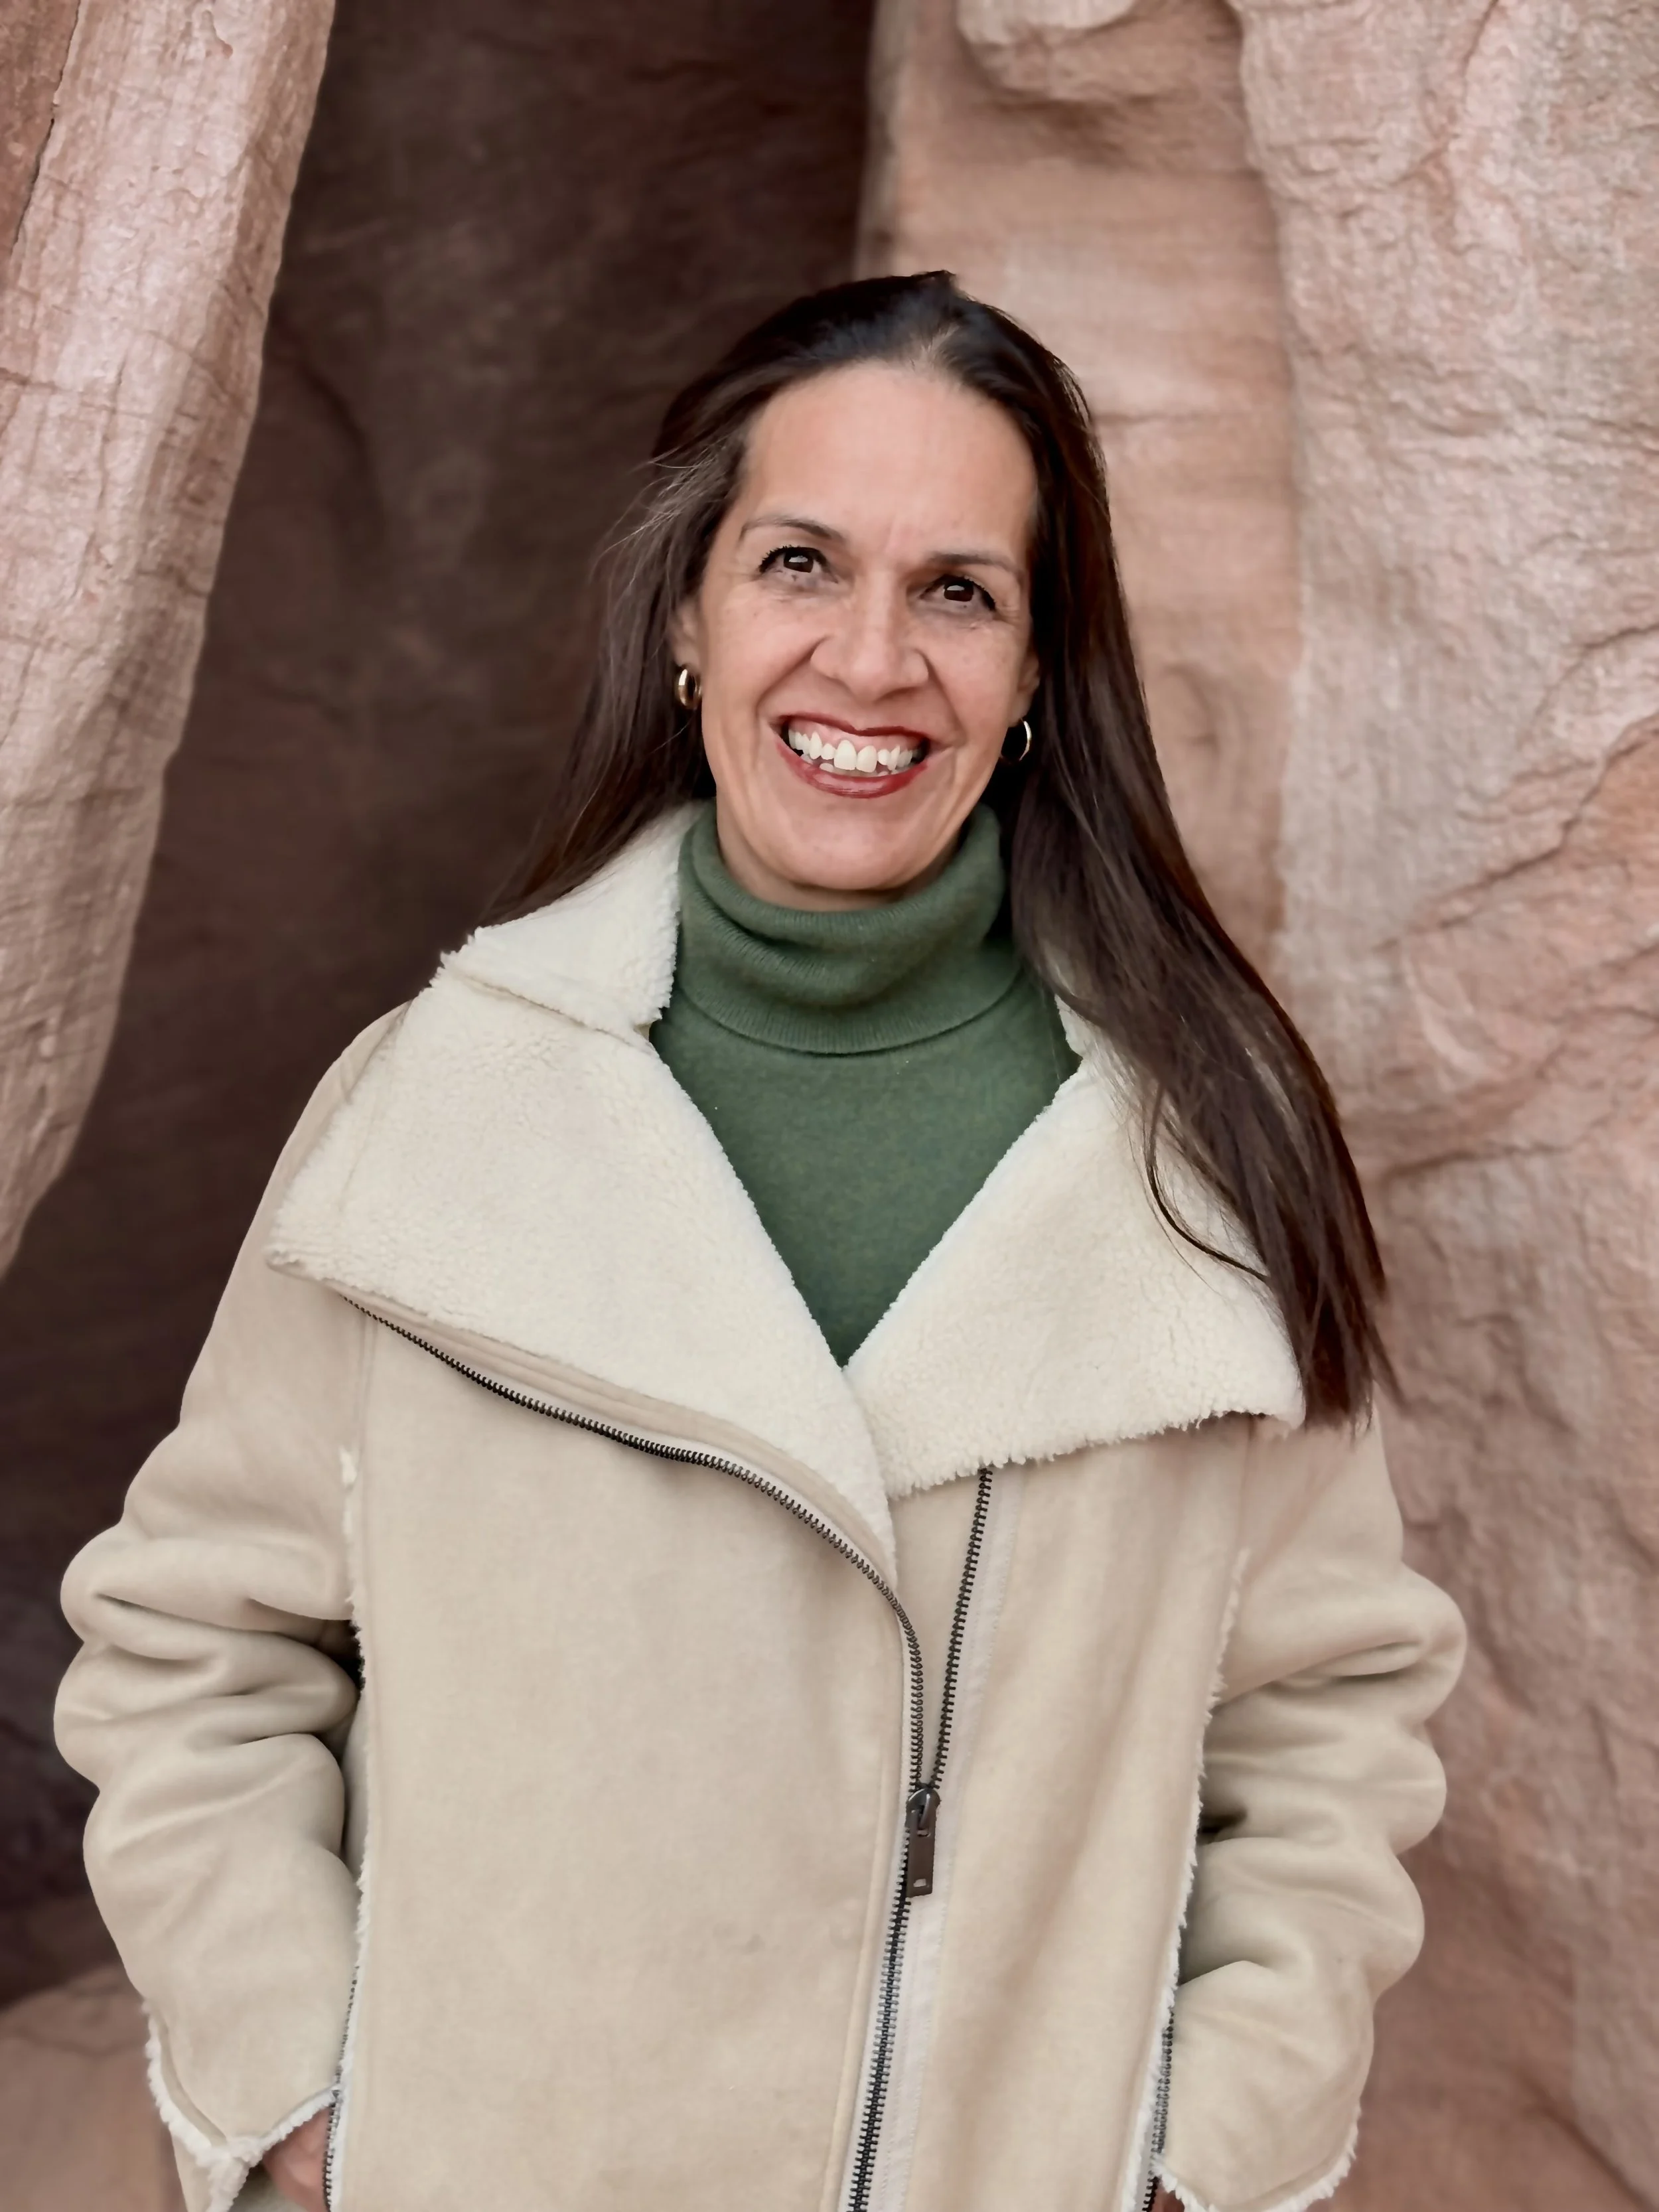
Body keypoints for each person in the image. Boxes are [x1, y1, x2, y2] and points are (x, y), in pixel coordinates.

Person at [56, 273, 1463, 2212]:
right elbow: (195, 1645)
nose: (871, 660)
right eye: (799, 563)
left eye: (958, 591)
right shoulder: (439, 1102)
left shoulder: (1203, 1156)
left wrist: (1192, 2157)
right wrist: (303, 2093)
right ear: (687, 620)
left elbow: (1323, 1722)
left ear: (1038, 669)